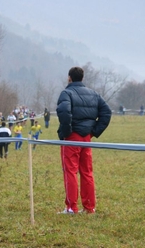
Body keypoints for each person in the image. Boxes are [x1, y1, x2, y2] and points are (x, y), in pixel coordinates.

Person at [56, 66, 111, 214]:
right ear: (82, 78)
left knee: (70, 172)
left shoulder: (66, 93)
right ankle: (89, 208)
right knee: (87, 172)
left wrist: (67, 132)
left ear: (69, 78)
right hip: (87, 138)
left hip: (71, 138)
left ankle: (71, 207)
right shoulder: (94, 94)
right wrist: (93, 131)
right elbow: (107, 112)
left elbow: (64, 113)